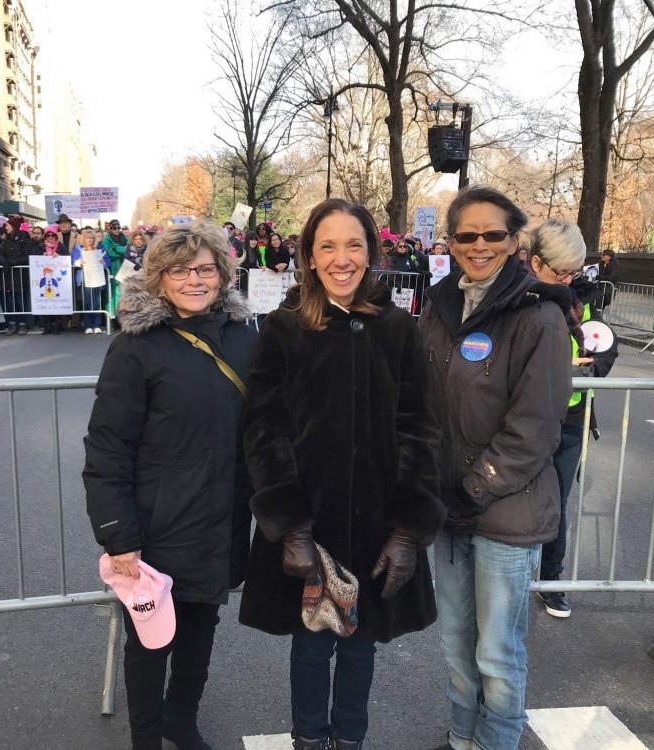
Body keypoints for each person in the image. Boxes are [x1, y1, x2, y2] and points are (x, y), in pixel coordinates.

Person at [241, 198, 444, 750]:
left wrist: (407, 531)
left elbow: (421, 429)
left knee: (362, 644)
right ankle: (309, 740)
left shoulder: (399, 328)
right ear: (308, 255)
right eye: (327, 245)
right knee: (311, 645)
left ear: (371, 251)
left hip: (379, 522)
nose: (341, 258)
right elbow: (264, 429)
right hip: (314, 520)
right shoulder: (284, 329)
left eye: (353, 244)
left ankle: (349, 740)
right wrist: (292, 527)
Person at [84, 220, 257, 750]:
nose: (194, 280)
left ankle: (182, 721)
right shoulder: (136, 347)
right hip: (159, 521)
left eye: (205, 268)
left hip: (223, 513)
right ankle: (147, 738)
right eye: (180, 270)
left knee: (202, 626)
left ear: (223, 274)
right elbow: (108, 447)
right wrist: (119, 535)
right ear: (159, 278)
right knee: (150, 638)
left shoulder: (245, 336)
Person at [418, 186, 574, 750]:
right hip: (449, 507)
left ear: (514, 241)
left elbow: (535, 425)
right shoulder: (435, 310)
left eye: (493, 235)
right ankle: (463, 735)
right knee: (456, 639)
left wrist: (475, 486)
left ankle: (498, 741)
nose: (479, 245)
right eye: (466, 235)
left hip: (506, 508)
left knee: (497, 650)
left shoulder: (539, 317)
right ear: (451, 241)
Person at [527, 219, 618, 618]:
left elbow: (606, 347)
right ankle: (506, 579)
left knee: (558, 503)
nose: (565, 279)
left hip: (572, 418)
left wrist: (591, 369)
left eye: (572, 271)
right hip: (527, 419)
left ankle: (552, 580)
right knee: (514, 503)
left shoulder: (585, 298)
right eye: (558, 271)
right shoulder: (520, 298)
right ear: (534, 263)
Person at [0, 216, 36, 335]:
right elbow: (0, 252)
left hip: (20, 274)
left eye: (7, 225)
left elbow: (26, 256)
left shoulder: (24, 239)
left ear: (13, 226)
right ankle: (12, 323)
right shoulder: (6, 239)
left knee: (21, 300)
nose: (5, 227)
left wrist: (11, 263)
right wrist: (3, 261)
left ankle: (23, 324)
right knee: (10, 301)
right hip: (8, 275)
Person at [71, 225, 107, 334]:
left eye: (92, 238)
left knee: (96, 302)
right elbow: (73, 260)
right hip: (84, 279)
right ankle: (88, 325)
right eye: (88, 238)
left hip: (96, 278)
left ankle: (97, 324)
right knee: (87, 302)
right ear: (84, 238)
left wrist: (103, 263)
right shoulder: (78, 249)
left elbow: (107, 260)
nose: (90, 240)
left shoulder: (100, 249)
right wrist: (78, 262)